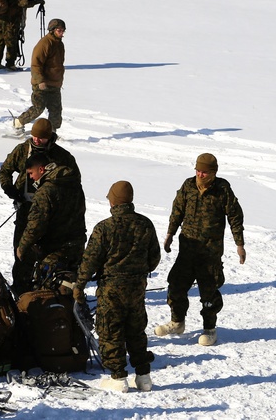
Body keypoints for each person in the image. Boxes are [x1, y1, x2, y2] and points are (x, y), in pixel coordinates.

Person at [73, 180, 160, 393]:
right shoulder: (145, 224)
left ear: (113, 201)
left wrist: (80, 284)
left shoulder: (104, 228)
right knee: (136, 331)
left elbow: (90, 261)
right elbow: (154, 258)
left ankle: (118, 378)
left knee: (111, 330)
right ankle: (143, 377)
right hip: (137, 287)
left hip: (111, 289)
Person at [155, 153, 245, 346]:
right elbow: (177, 211)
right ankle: (177, 322)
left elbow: (235, 218)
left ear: (213, 172)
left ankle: (209, 329)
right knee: (176, 285)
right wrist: (170, 234)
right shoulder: (188, 186)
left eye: (204, 172)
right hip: (187, 249)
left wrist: (240, 244)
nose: (200, 175)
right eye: (197, 171)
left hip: (209, 253)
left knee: (208, 292)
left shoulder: (223, 189)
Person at [0, 118, 81, 293]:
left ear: (50, 137)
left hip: (53, 212)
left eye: (41, 138)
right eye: (34, 137)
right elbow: (5, 170)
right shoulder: (22, 150)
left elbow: (73, 183)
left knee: (47, 251)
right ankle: (20, 288)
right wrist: (10, 190)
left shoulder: (63, 157)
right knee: (22, 251)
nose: (37, 141)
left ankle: (46, 287)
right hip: (26, 207)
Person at [15, 152, 86, 279]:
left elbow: (35, 225)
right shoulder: (75, 185)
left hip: (54, 250)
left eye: (31, 173)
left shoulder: (45, 191)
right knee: (69, 287)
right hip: (77, 246)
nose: (31, 178)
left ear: (41, 169)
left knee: (49, 291)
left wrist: (22, 246)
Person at [14, 18, 66, 134]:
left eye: (63, 31)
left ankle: (51, 132)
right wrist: (40, 81)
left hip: (55, 84)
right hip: (41, 84)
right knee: (38, 108)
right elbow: (36, 64)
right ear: (52, 30)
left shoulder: (59, 44)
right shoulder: (44, 43)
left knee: (56, 111)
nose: (62, 34)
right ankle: (18, 123)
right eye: (59, 31)